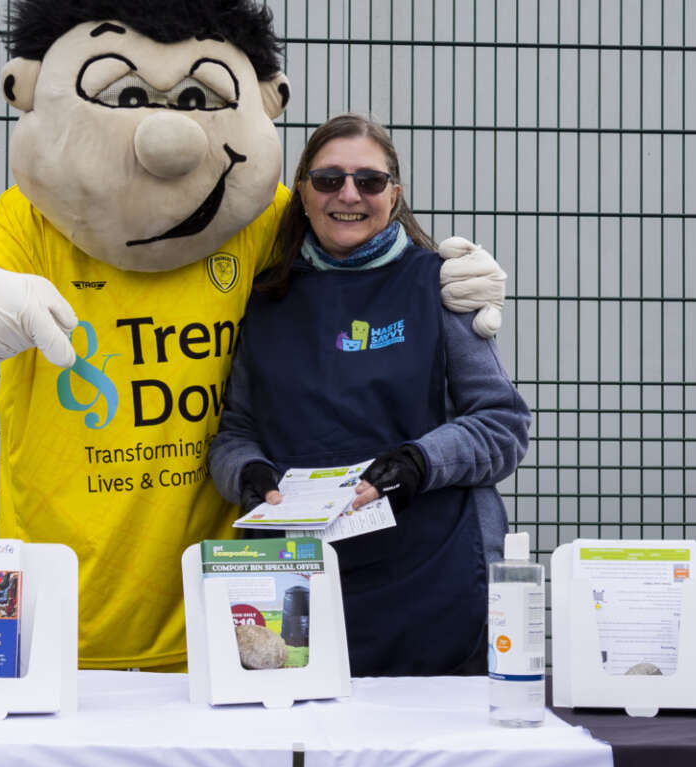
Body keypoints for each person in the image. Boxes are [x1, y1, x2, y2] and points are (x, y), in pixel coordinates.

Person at [0, 0, 511, 671]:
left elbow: (358, 243)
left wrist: (450, 271)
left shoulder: (260, 218)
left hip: (225, 608)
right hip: (66, 602)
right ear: (24, 87)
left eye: (367, 181)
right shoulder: (34, 217)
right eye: (129, 93)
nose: (167, 135)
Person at [207, 114, 531, 677]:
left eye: (370, 181)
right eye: (329, 179)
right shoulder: (267, 299)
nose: (349, 195)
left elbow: (501, 425)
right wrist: (249, 474)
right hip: (300, 582)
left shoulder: (440, 285)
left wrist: (418, 462)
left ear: (395, 195)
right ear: (302, 193)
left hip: (435, 578)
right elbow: (236, 431)